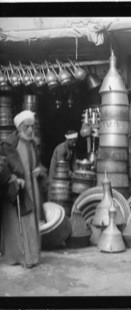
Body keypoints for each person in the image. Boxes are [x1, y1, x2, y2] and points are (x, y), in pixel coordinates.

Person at [0, 110, 47, 268]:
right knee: (19, 222)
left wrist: (39, 169)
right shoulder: (9, 144)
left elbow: (39, 163)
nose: (30, 130)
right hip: (17, 188)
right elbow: (4, 166)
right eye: (27, 127)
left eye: (32, 126)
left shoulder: (32, 143)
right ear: (19, 127)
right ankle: (21, 257)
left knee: (32, 221)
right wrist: (12, 178)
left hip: (31, 187)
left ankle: (32, 256)